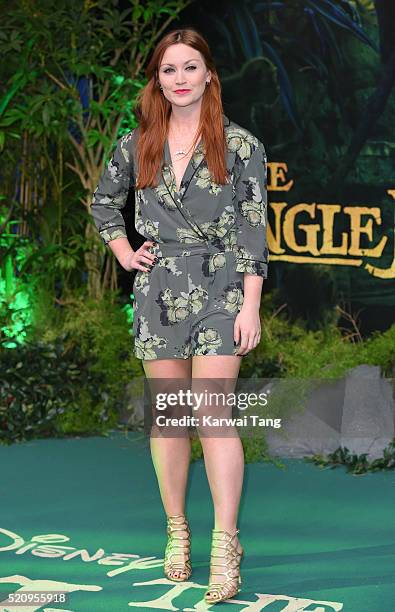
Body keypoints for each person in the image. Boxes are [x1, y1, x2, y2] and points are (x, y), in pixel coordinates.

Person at [90, 27, 269, 605]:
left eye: (191, 68)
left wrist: (251, 306)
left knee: (214, 415)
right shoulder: (136, 141)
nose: (181, 79)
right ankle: (176, 530)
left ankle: (226, 544)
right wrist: (124, 251)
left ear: (209, 75)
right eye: (169, 70)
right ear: (158, 80)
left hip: (221, 290)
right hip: (158, 289)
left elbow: (251, 231)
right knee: (169, 421)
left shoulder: (241, 147)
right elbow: (102, 202)